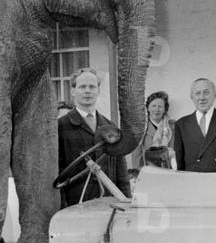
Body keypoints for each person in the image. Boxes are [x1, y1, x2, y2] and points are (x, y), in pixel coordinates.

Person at [57, 68, 131, 207]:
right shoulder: (60, 126)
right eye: (82, 87)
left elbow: (122, 174)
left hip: (109, 205)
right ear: (73, 91)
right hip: (76, 204)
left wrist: (127, 203)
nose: (87, 91)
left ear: (98, 91)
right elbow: (57, 172)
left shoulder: (110, 126)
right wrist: (63, 207)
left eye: (92, 87)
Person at [129, 91, 176, 173]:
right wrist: (138, 173)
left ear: (165, 109)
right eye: (153, 106)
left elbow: (175, 150)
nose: (156, 109)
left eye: (160, 106)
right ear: (148, 108)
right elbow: (136, 154)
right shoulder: (141, 127)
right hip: (148, 171)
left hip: (169, 170)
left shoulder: (172, 126)